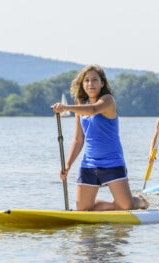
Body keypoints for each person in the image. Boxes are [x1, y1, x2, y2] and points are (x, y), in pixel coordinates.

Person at [52, 64, 149, 211]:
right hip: (89, 164)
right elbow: (78, 140)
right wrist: (68, 164)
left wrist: (66, 108)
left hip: (112, 162)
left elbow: (93, 110)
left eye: (95, 80)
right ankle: (112, 205)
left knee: (126, 207)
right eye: (87, 80)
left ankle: (139, 201)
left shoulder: (108, 100)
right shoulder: (81, 106)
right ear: (82, 84)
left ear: (102, 83)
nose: (90, 84)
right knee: (83, 210)